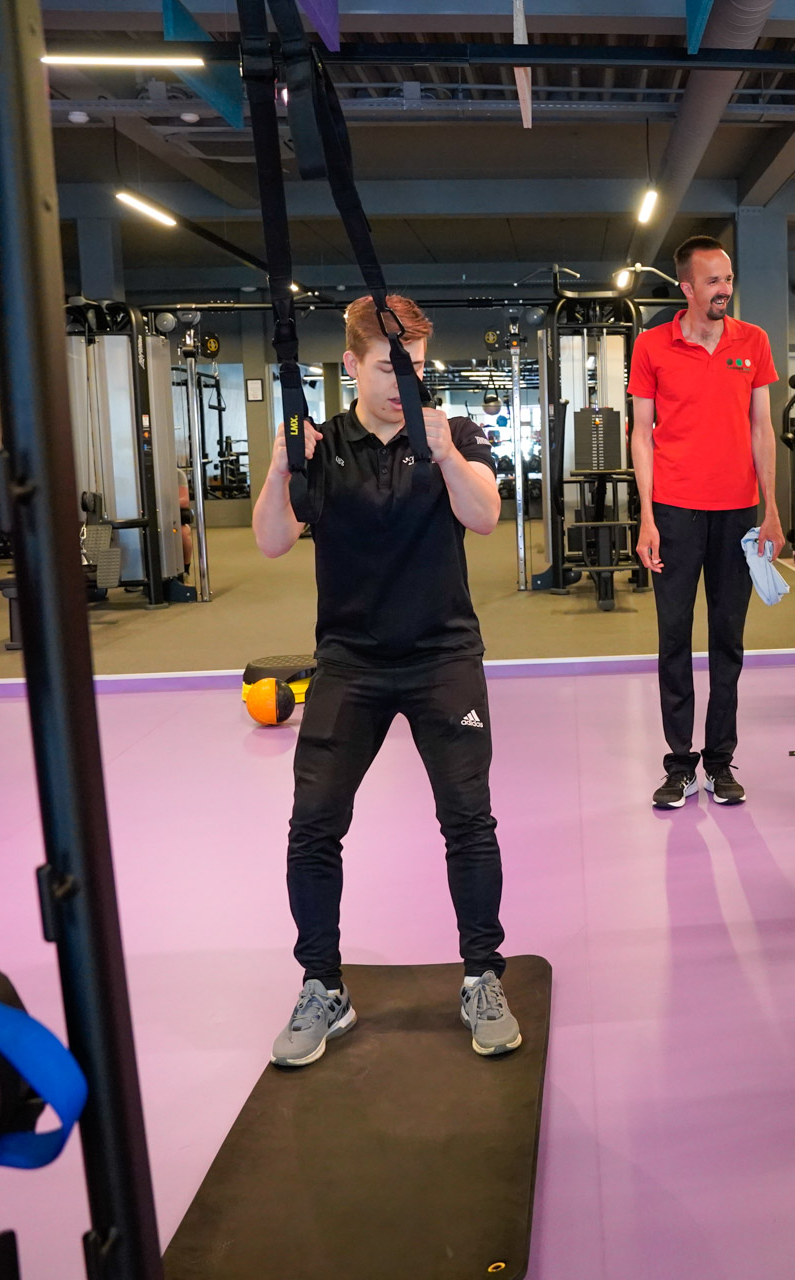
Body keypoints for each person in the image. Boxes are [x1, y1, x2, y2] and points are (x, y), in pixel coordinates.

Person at [254, 294, 521, 1067]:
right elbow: (272, 541)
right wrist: (280, 467)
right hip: (351, 662)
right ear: (351, 365)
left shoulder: (452, 431)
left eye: (417, 366)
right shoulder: (321, 445)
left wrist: (447, 457)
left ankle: (482, 976)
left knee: (468, 820)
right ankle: (322, 987)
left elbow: (485, 517)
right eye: (387, 367)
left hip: (443, 655)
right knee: (313, 824)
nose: (406, 382)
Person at [630, 235, 783, 810]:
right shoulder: (651, 345)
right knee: (673, 637)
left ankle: (719, 761)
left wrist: (771, 509)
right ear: (687, 288)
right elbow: (640, 434)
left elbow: (761, 428)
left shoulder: (753, 341)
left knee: (728, 639)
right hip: (674, 512)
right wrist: (646, 517)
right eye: (713, 281)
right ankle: (680, 764)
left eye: (728, 278)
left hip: (738, 512)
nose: (725, 289)